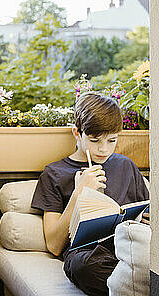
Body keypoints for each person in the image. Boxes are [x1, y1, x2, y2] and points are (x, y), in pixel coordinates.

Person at [31, 92, 150, 296]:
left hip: (130, 247)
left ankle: (136, 279)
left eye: (112, 140)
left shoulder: (125, 166)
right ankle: (140, 282)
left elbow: (146, 213)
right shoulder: (54, 173)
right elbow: (53, 245)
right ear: (77, 133)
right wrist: (79, 193)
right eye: (95, 140)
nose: (104, 149)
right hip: (88, 254)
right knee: (82, 267)